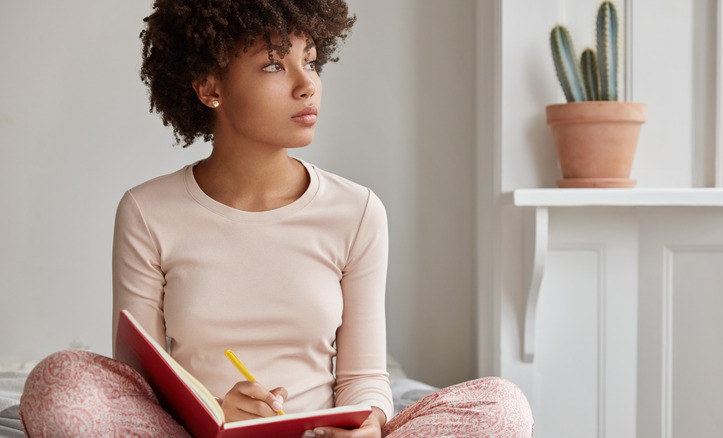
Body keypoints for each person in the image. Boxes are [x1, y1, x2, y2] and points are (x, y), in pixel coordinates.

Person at [19, 1, 534, 437]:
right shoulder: (147, 211)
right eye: (273, 65)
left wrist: (372, 424)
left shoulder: (357, 212)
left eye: (310, 61)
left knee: (503, 406)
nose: (307, 84)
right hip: (199, 432)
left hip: (319, 431)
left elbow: (362, 378)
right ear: (209, 87)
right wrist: (217, 411)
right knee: (58, 381)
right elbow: (139, 385)